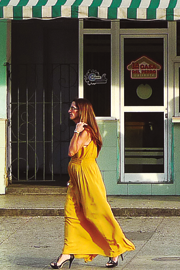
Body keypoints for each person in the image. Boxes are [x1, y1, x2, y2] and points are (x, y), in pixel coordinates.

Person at [51, 99, 134, 269]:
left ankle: (115, 247)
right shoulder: (83, 130)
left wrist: (76, 131)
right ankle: (68, 251)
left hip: (87, 176)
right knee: (71, 214)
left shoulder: (86, 131)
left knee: (95, 213)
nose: (69, 110)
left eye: (73, 108)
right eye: (70, 107)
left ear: (82, 111)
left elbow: (71, 151)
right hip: (76, 178)